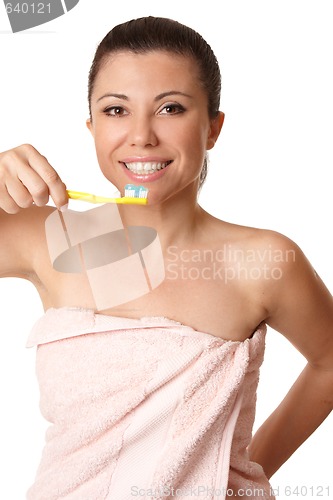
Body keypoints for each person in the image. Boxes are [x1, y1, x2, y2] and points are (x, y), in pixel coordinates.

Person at [0, 16, 332, 500]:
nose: (141, 136)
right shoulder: (46, 236)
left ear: (213, 127)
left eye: (170, 108)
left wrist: (241, 472)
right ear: (91, 126)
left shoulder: (263, 260)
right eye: (115, 111)